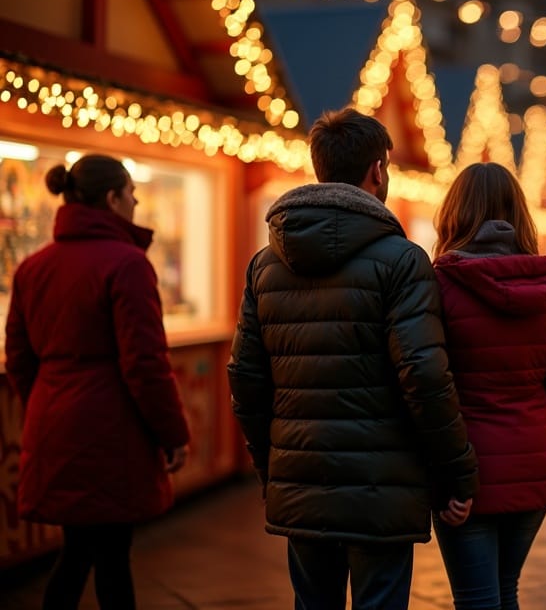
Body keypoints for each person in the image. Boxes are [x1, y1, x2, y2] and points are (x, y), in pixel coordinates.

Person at [227, 108, 479, 610]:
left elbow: (247, 377)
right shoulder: (403, 260)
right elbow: (424, 374)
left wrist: (270, 467)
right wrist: (456, 473)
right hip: (381, 488)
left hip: (300, 475)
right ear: (378, 170)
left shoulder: (266, 264)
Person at [4, 154, 190, 610]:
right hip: (111, 431)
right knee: (110, 556)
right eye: (132, 194)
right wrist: (172, 434)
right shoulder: (127, 265)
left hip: (55, 423)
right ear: (112, 198)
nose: (137, 201)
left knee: (79, 548)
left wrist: (46, 403)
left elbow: (19, 357)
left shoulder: (32, 268)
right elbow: (144, 364)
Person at [431, 162, 546, 610]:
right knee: (505, 590)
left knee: (477, 598)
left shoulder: (439, 286)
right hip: (531, 464)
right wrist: (526, 408)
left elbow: (426, 379)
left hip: (465, 469)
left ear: (454, 214)